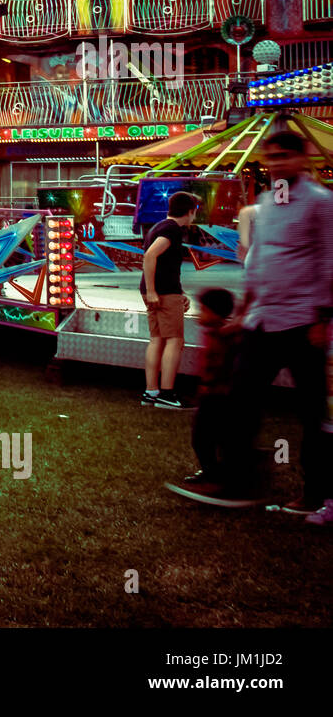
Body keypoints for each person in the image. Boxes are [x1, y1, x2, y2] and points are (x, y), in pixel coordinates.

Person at [209, 131, 333, 514]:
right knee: (240, 402)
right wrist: (243, 313)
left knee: (313, 414)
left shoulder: (320, 203)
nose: (276, 163)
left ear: (303, 158)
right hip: (262, 322)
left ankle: (314, 495)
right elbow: (259, 260)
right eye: (271, 157)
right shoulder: (267, 200)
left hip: (302, 323)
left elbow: (330, 261)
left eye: (283, 156)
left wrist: (322, 318)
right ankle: (239, 483)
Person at [165, 288, 238, 501]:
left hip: (219, 397)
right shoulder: (214, 333)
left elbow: (222, 369)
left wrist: (211, 388)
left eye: (203, 310)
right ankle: (212, 473)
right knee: (204, 439)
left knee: (206, 439)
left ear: (216, 314)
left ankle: (216, 478)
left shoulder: (225, 337)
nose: (198, 315)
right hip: (210, 395)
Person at [139, 191, 199, 409]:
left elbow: (164, 264)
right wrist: (155, 291)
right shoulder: (172, 229)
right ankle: (167, 394)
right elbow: (151, 256)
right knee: (175, 340)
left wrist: (163, 291)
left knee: (157, 339)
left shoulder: (158, 226)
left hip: (156, 290)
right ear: (190, 211)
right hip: (163, 292)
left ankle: (151, 391)